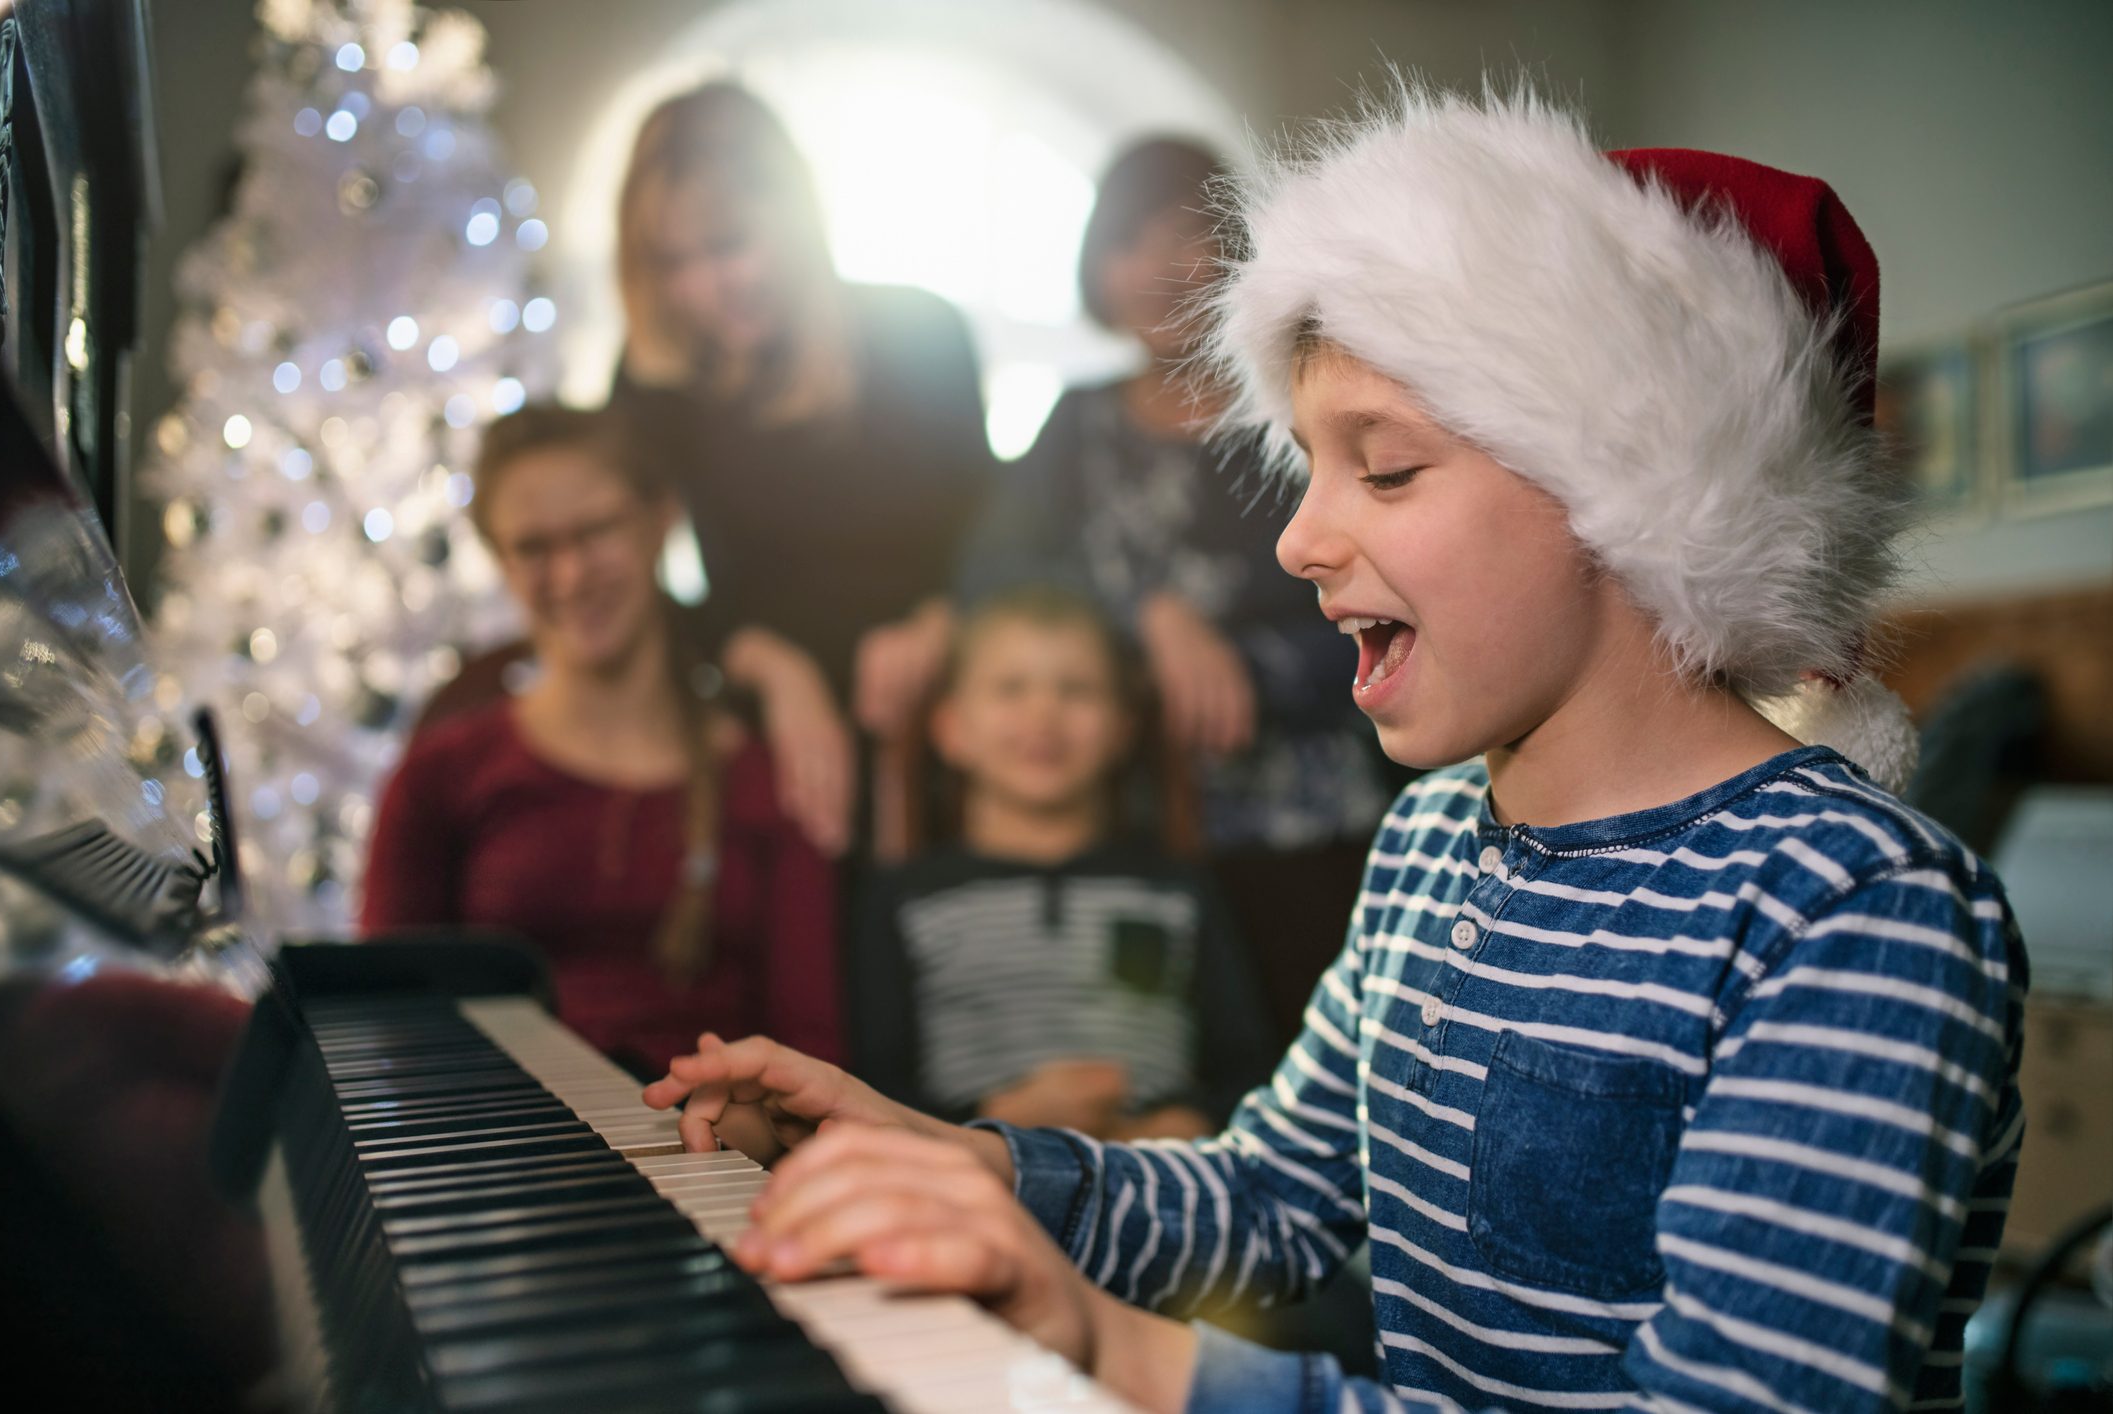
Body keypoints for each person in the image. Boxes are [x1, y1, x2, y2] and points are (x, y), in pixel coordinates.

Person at [641, 87, 2029, 1413]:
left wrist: (1116, 1354)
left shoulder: (1849, 908)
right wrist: (956, 1162)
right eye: (1306, 463)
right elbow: (1264, 1201)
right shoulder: (1431, 844)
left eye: (1387, 465)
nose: (1297, 540)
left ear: (1628, 493)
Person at [958, 139, 1397, 1035]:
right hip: (1130, 824)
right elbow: (989, 580)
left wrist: (1239, 663)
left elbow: (1387, 594)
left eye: (1183, 237)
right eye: (1127, 244)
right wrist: (1149, 615)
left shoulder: (1295, 418)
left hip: (1311, 819)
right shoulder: (1075, 424)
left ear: (1238, 252)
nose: (1156, 271)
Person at [361, 405, 844, 1076]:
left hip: (718, 1156)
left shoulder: (766, 780)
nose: (570, 575)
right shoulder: (441, 776)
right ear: (498, 561)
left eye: (595, 532)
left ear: (661, 521)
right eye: (533, 548)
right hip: (498, 1151)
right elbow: (386, 1026)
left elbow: (814, 1051)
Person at [606, 83, 991, 822]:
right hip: (764, 724)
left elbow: (993, 529)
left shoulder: (923, 332)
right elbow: (636, 579)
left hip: (951, 708)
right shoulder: (656, 380)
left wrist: (938, 623)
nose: (704, 288)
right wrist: (770, 668)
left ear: (796, 215)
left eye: (729, 246)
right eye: (672, 262)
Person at [849, 585, 1272, 1137]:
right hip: (968, 1182)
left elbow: (1250, 1066)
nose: (1044, 714)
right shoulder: (902, 898)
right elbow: (874, 1087)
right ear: (951, 730)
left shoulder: (1178, 890)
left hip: (1157, 1180)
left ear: (1123, 728)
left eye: (1076, 690)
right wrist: (999, 1119)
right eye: (1010, 688)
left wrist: (1190, 1118)